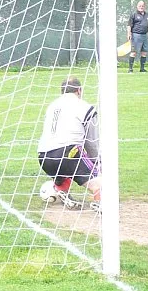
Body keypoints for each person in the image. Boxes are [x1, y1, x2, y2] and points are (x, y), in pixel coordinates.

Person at [37, 77, 101, 212]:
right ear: (79, 90)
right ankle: (99, 202)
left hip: (43, 156)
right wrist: (97, 161)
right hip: (68, 153)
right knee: (100, 181)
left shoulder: (51, 106)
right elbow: (92, 142)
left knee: (65, 170)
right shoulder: (85, 107)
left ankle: (61, 189)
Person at [127, 0, 148, 73]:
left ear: (145, 7)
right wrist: (129, 34)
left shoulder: (147, 15)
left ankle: (142, 68)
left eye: (143, 6)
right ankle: (130, 69)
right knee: (133, 52)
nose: (141, 7)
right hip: (136, 35)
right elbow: (129, 25)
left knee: (144, 52)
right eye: (140, 6)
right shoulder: (134, 14)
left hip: (144, 35)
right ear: (137, 7)